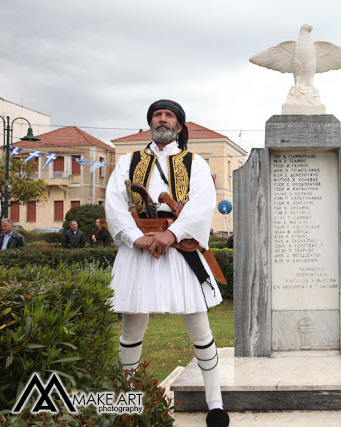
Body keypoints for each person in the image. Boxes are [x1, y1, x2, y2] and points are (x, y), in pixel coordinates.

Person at [105, 99, 229, 427]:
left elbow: (203, 203)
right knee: (132, 325)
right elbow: (115, 203)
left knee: (198, 324)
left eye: (168, 115)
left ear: (178, 125)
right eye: (157, 115)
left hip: (179, 248)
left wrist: (171, 234)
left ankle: (215, 403)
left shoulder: (195, 163)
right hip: (139, 248)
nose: (162, 119)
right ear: (151, 123)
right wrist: (137, 238)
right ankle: (127, 400)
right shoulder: (128, 161)